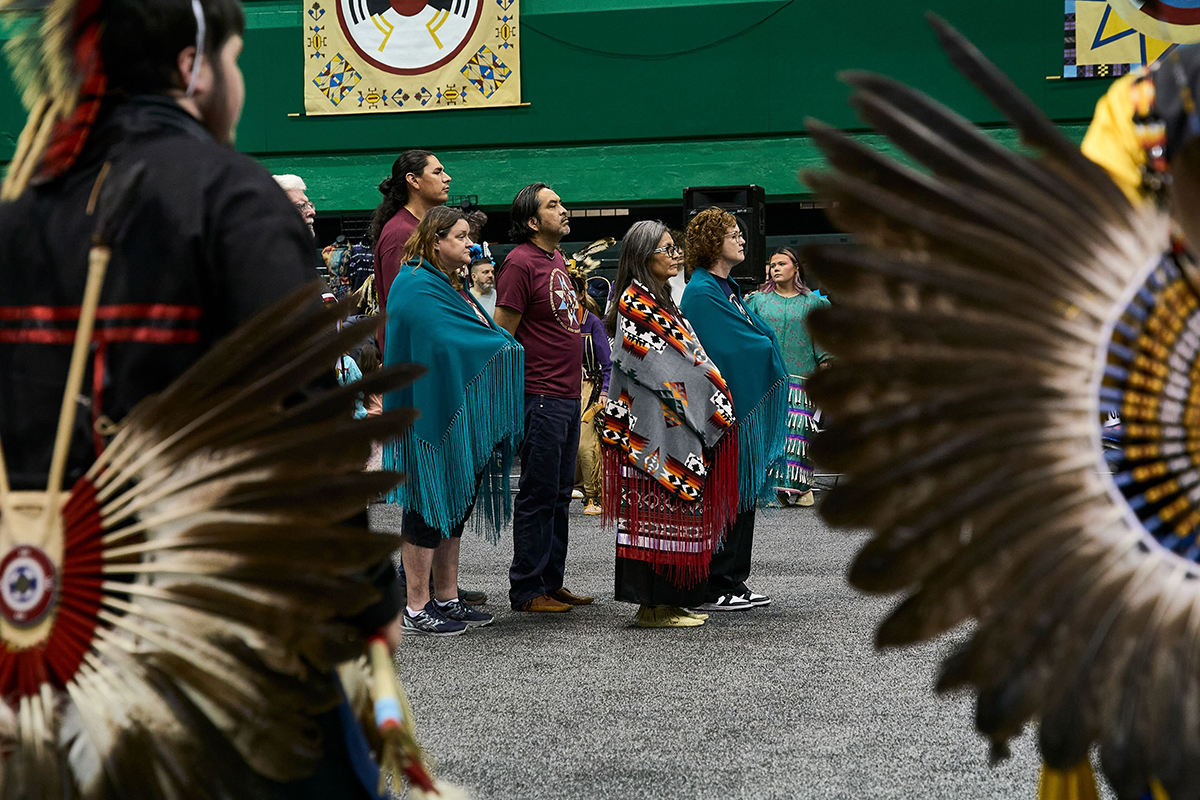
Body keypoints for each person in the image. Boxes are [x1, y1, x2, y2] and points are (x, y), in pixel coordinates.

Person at [0, 0, 404, 796]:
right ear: (193, 68)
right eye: (236, 60)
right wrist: (364, 596)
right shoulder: (232, 197)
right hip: (219, 611)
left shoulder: (26, 206)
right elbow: (298, 426)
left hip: (54, 606)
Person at [382, 206, 523, 635]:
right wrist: (499, 347)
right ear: (436, 240)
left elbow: (467, 333)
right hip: (427, 414)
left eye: (469, 236)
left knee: (455, 506)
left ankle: (446, 596)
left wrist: (498, 344)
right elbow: (441, 341)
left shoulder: (446, 283)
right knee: (425, 508)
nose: (470, 244)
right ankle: (416, 606)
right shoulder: (414, 283)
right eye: (461, 237)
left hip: (455, 409)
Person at [601, 221, 739, 628]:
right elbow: (664, 363)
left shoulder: (662, 298)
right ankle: (654, 606)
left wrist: (709, 381)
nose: (676, 254)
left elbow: (687, 355)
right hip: (651, 426)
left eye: (675, 247)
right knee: (653, 514)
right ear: (644, 257)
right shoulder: (634, 302)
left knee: (674, 515)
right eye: (667, 249)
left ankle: (670, 602)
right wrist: (710, 386)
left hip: (672, 424)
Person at [679, 208, 788, 613]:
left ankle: (734, 580)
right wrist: (767, 345)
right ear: (712, 243)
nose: (742, 240)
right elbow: (728, 348)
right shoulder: (701, 291)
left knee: (742, 493)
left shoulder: (726, 288)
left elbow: (751, 334)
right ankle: (715, 584)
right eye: (732, 234)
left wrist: (765, 342)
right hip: (722, 412)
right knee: (726, 494)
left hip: (738, 410)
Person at [493, 183, 593, 612]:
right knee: (538, 493)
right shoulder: (519, 263)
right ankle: (527, 589)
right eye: (553, 205)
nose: (564, 209)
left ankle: (551, 582)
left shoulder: (555, 259)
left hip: (566, 394)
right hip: (541, 395)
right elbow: (502, 335)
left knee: (559, 494)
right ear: (533, 221)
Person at [745, 247, 831, 507]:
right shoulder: (757, 302)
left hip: (803, 377)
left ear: (796, 268)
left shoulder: (813, 304)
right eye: (772, 265)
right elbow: (746, 336)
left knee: (799, 434)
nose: (775, 268)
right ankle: (773, 491)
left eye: (781, 263)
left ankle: (803, 489)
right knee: (772, 433)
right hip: (768, 378)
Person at [370, 149, 451, 316]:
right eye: (437, 172)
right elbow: (401, 305)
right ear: (413, 180)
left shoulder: (420, 227)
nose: (447, 178)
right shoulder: (400, 234)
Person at [573, 271, 611, 516]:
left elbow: (608, 364)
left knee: (586, 445)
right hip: (561, 386)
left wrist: (604, 392)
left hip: (589, 386)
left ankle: (593, 496)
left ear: (580, 295)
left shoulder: (592, 323)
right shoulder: (556, 322)